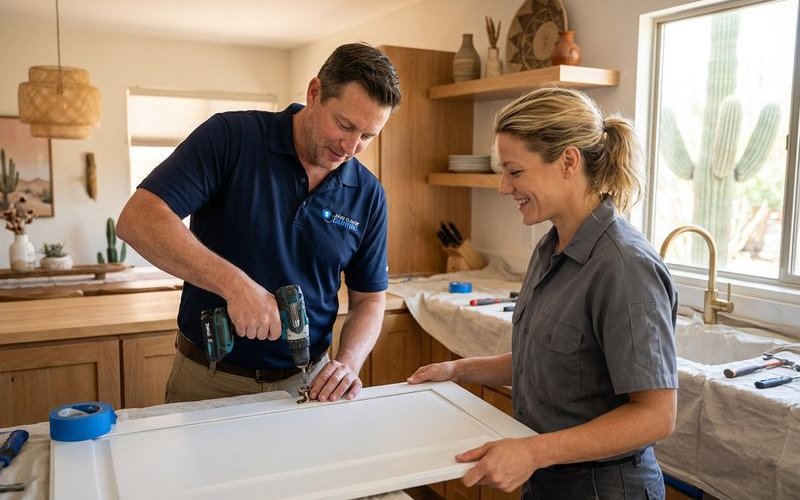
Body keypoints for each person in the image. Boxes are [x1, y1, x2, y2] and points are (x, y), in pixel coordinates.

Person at [408, 87, 678, 499]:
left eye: (515, 172)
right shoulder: (551, 246)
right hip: (550, 482)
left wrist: (533, 452)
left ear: (568, 161)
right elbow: (551, 363)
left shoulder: (624, 267)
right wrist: (458, 371)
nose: (503, 187)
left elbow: (656, 417)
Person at [116, 42, 402, 404]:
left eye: (367, 136)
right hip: (211, 381)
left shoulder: (368, 194)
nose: (350, 146)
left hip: (310, 384)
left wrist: (347, 363)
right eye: (344, 125)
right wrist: (236, 286)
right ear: (314, 93)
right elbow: (137, 219)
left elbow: (370, 300)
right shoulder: (232, 137)